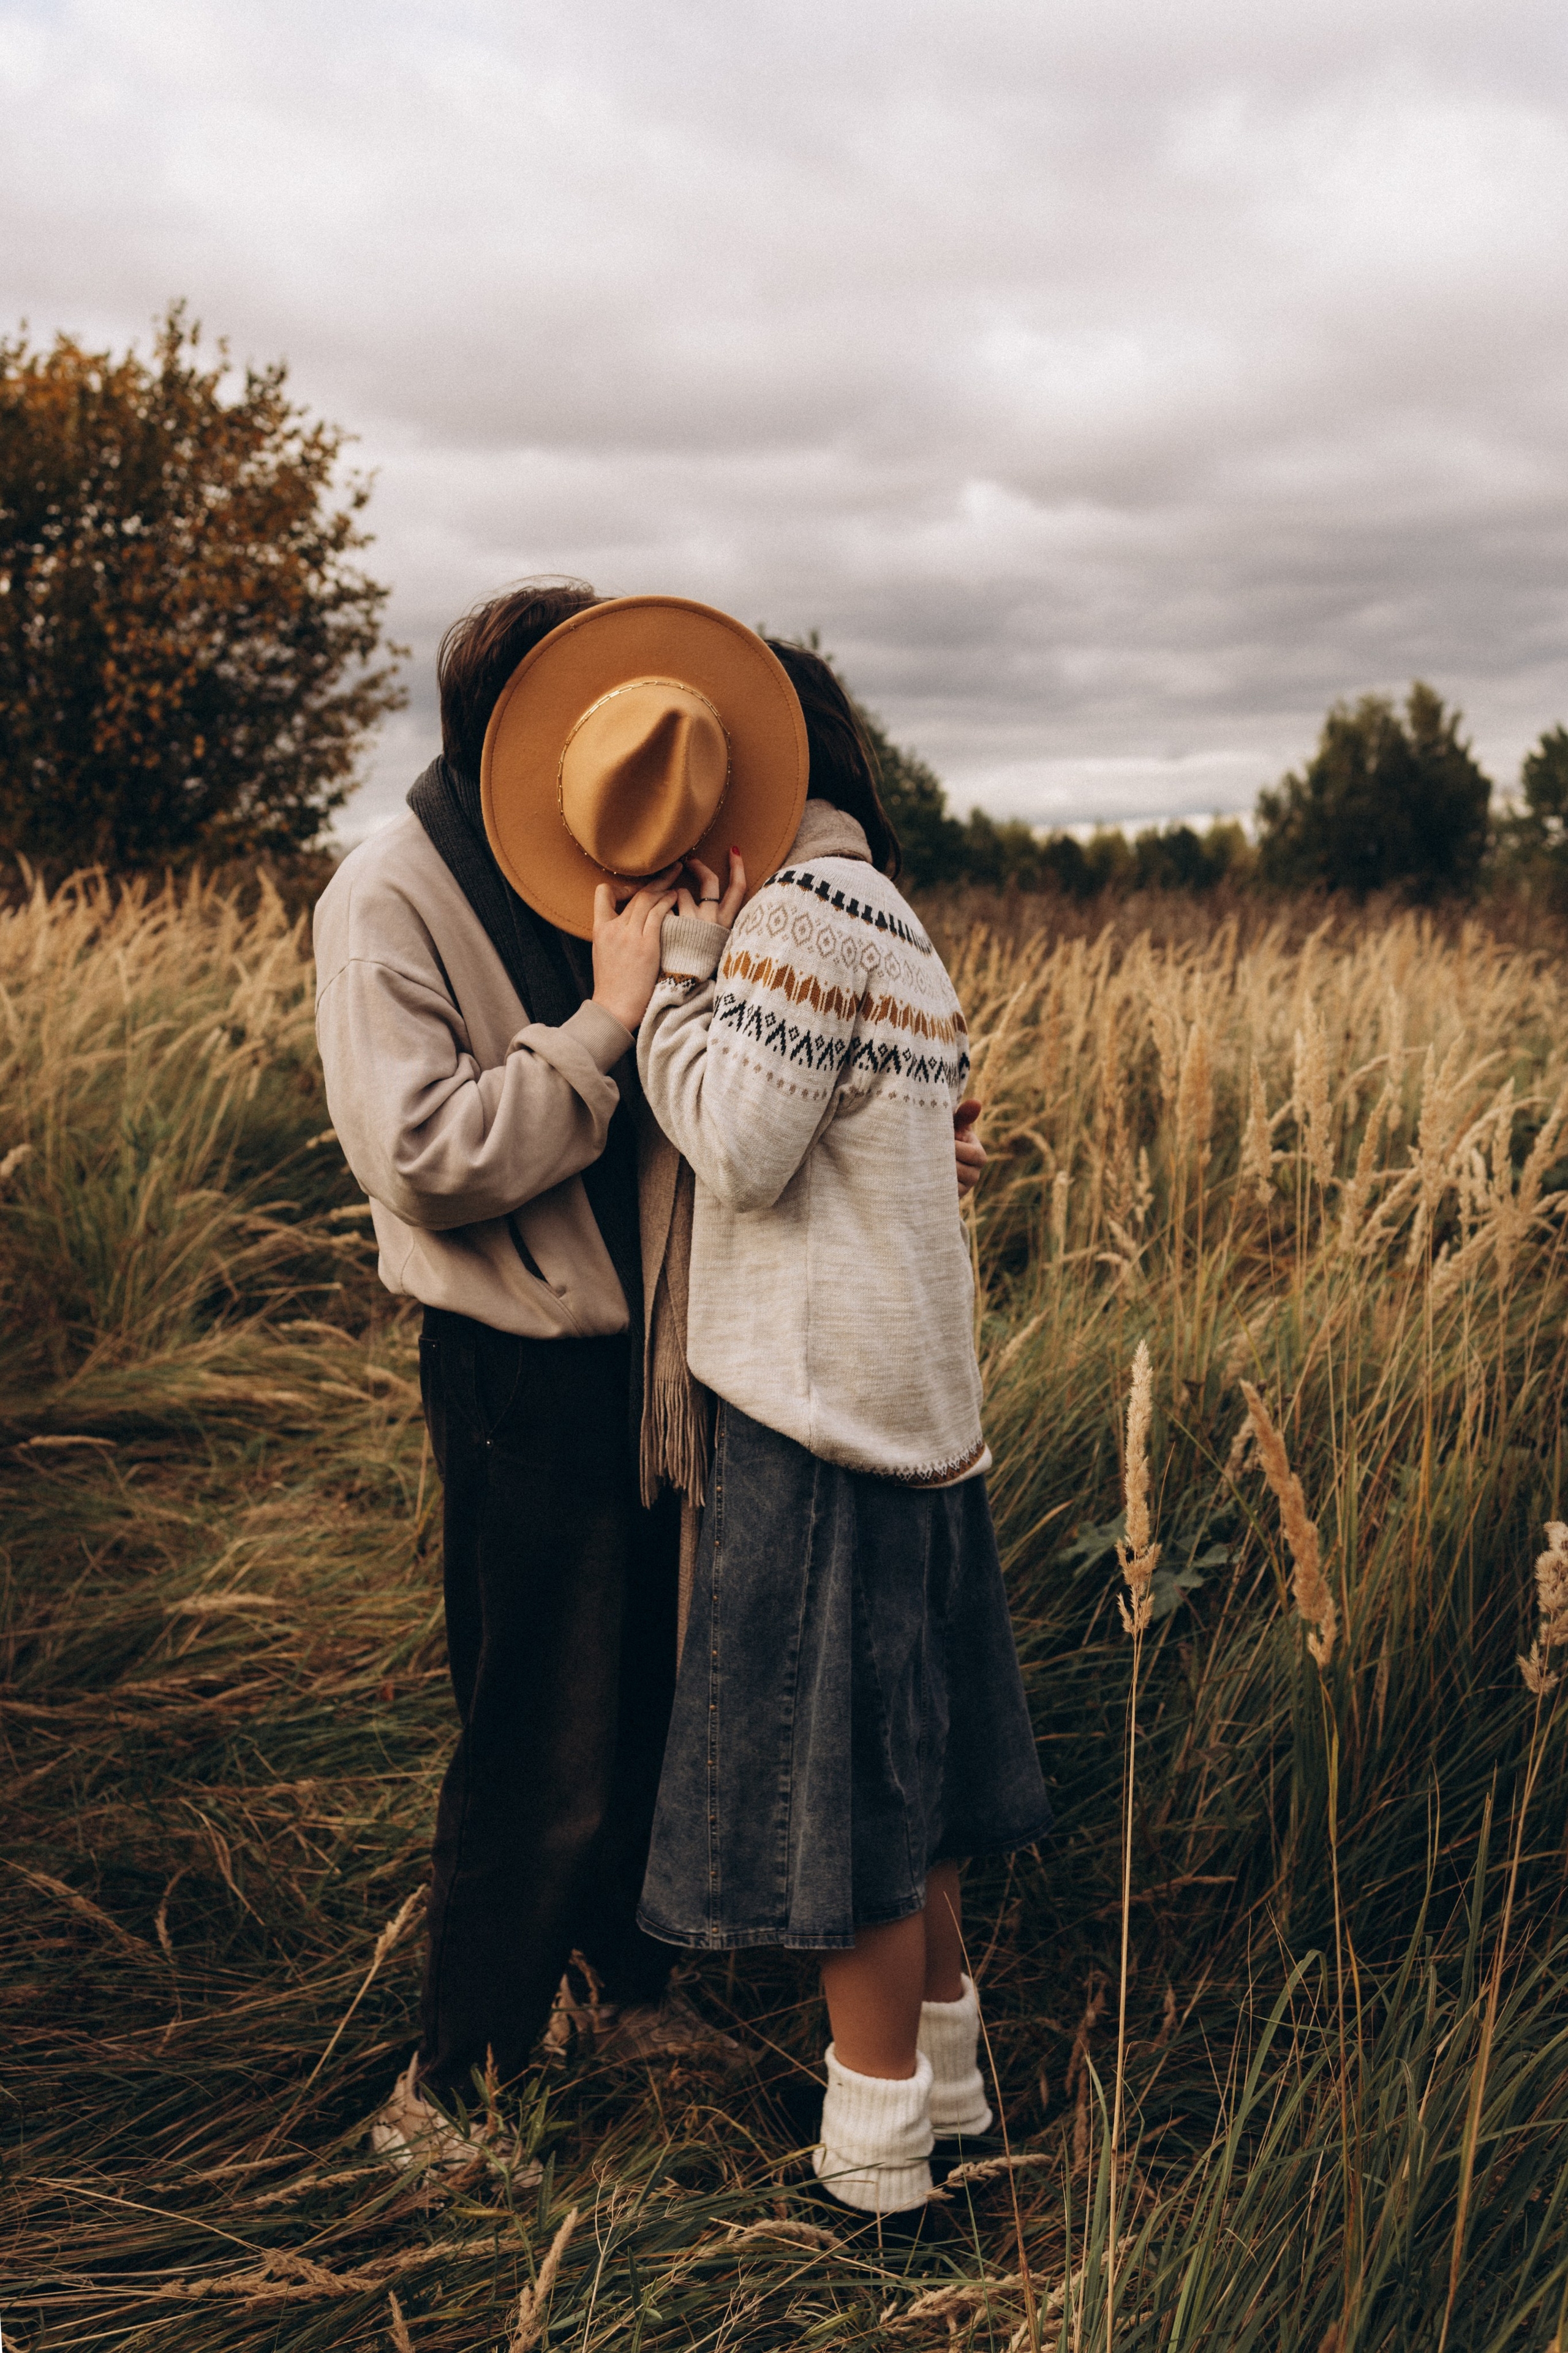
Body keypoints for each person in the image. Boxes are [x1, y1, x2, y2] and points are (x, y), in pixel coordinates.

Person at [311, 584, 989, 2164]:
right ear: (505, 750)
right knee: (532, 1727)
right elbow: (423, 1157)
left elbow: (759, 1091)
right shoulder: (389, 898)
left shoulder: (633, 855)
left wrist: (902, 1137)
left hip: (681, 1360)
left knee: (655, 1696)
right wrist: (610, 1019)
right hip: (522, 1363)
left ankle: (624, 1987)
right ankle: (457, 2087)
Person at [633, 639, 1052, 2236]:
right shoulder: (897, 920)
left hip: (828, 1423)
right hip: (916, 1418)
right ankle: (950, 2106)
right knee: (913, 1790)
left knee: (849, 1814)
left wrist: (670, 978)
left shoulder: (798, 921)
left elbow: (738, 1151)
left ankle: (875, 2185)